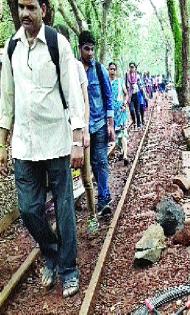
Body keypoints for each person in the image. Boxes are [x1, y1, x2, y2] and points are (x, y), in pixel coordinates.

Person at [0, 0, 85, 297]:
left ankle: (69, 269)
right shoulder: (12, 47)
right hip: (24, 144)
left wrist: (77, 141)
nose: (25, 13)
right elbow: (7, 96)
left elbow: (74, 94)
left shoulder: (57, 43)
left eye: (31, 7)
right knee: (28, 209)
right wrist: (3, 140)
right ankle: (50, 252)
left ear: (44, 9)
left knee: (63, 209)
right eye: (21, 7)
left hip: (55, 140)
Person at [54, 24, 99, 234]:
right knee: (62, 184)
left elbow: (85, 100)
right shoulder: (51, 66)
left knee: (86, 178)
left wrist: (86, 130)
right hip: (59, 133)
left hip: (79, 131)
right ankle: (67, 225)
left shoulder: (76, 66)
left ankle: (92, 217)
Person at [79, 30, 115, 217]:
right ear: (80, 49)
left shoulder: (100, 70)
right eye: (87, 49)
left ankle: (103, 199)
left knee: (100, 162)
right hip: (80, 128)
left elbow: (108, 97)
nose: (90, 53)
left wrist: (110, 124)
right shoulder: (74, 69)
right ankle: (87, 201)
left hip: (99, 124)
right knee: (85, 166)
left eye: (93, 49)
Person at [109, 62, 130, 166]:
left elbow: (126, 94)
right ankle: (119, 152)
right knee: (114, 135)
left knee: (123, 134)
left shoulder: (120, 82)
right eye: (111, 69)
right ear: (108, 70)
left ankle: (125, 155)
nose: (112, 71)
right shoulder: (106, 83)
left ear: (116, 71)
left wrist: (124, 104)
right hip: (110, 114)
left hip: (120, 111)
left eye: (114, 69)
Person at [126, 62, 143, 130]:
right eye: (130, 67)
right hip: (130, 95)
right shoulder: (127, 75)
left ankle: (138, 124)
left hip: (137, 94)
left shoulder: (138, 76)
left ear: (135, 68)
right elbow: (125, 85)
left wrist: (144, 95)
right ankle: (134, 122)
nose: (131, 68)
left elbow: (141, 85)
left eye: (133, 67)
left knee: (137, 111)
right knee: (131, 110)